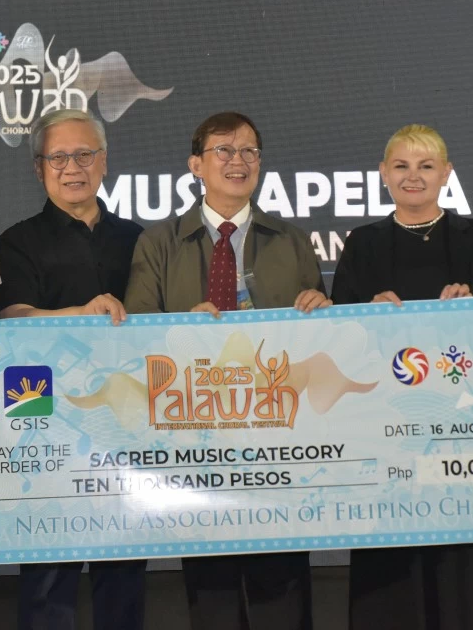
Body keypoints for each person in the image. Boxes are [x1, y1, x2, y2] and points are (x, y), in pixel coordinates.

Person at [124, 110, 330, 630]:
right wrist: (178, 329)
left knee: (282, 589)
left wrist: (322, 308)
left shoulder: (292, 240)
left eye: (249, 152)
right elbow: (136, 340)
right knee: (211, 592)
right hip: (197, 442)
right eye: (224, 150)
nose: (238, 162)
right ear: (196, 164)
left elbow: (322, 345)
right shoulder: (159, 242)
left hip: (280, 441)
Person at [330, 124, 473, 630]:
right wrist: (365, 316)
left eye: (426, 166)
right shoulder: (362, 245)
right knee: (394, 578)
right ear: (383, 174)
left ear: (447, 173)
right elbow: (341, 353)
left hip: (468, 441)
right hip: (389, 440)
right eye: (401, 166)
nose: (413, 177)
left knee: (468, 576)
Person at [0, 109, 146, 630]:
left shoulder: (139, 240)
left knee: (123, 568)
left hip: (124, 422)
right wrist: (81, 313)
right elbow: (12, 316)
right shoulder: (16, 242)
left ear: (104, 162)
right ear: (39, 169)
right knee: (47, 574)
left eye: (84, 154)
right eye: (58, 157)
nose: (72, 167)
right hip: (43, 420)